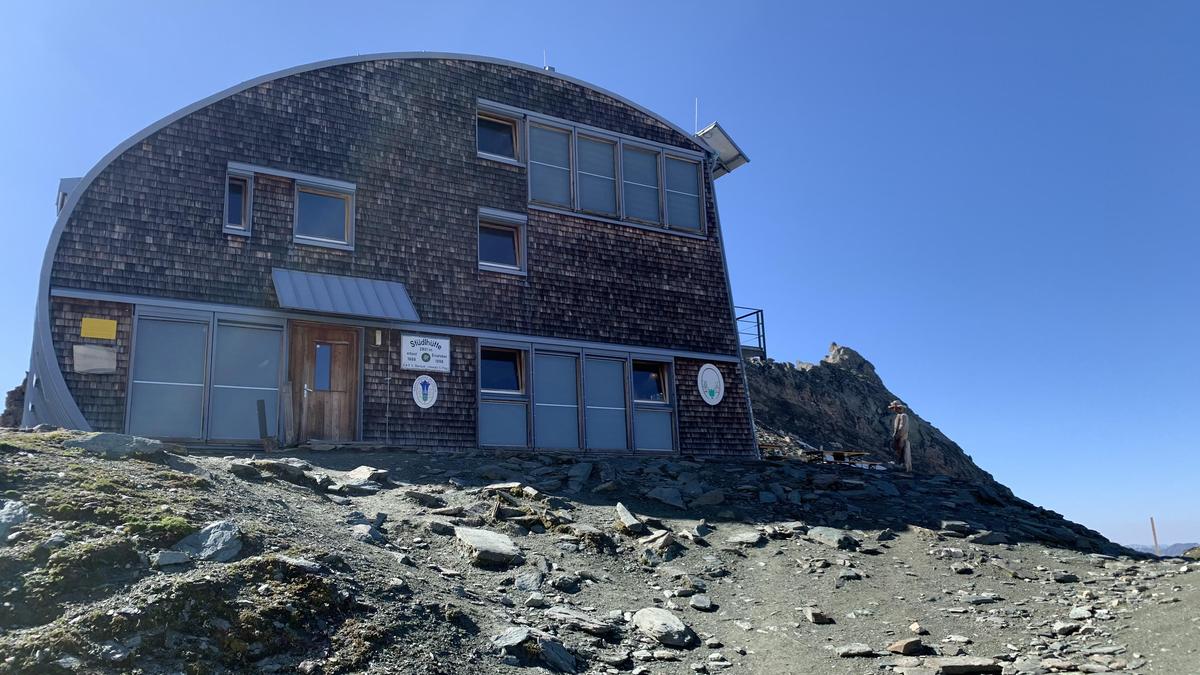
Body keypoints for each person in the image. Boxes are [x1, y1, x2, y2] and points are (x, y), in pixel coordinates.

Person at [889, 400, 912, 473]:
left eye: (894, 408)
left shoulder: (903, 416)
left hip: (901, 437)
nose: (894, 410)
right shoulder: (899, 416)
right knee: (898, 451)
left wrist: (898, 435)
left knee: (901, 451)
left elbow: (902, 427)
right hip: (899, 436)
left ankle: (903, 466)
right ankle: (900, 464)